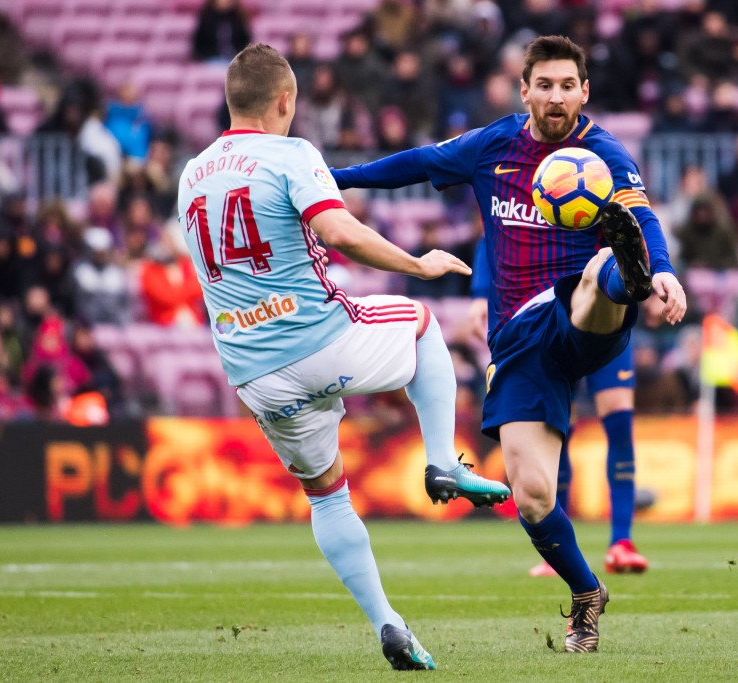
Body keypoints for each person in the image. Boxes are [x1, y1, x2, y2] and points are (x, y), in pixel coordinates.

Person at [332, 35, 686, 653]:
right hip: (519, 343)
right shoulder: (492, 145)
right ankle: (585, 592)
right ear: (524, 91)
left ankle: (622, 274)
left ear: (584, 92)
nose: (555, 96)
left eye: (566, 85)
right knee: (532, 493)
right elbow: (415, 162)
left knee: (597, 278)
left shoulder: (602, 156)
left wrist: (660, 268)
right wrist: (329, 179)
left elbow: (643, 214)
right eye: (543, 85)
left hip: (580, 317)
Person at [176, 44, 510, 672]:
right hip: (317, 337)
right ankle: (443, 463)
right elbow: (339, 232)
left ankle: (390, 625)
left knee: (328, 496)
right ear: (286, 101)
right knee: (421, 323)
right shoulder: (292, 153)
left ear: (229, 102)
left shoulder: (192, 173)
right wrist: (418, 265)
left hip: (252, 372)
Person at [468, 251, 650, 576]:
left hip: (603, 308)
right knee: (557, 430)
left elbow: (636, 226)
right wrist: (482, 292)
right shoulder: (526, 201)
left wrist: (663, 274)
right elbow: (494, 226)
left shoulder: (611, 198)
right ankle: (558, 550)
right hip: (551, 319)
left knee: (619, 418)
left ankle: (622, 541)